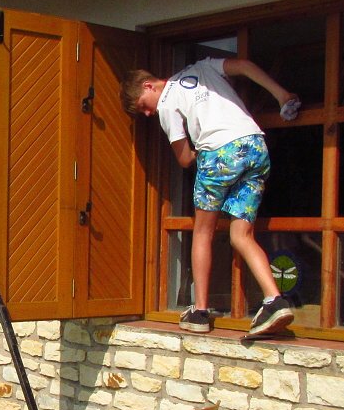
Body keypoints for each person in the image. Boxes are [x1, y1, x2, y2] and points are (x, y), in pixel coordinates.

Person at [122, 57, 301, 336]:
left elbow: (184, 158)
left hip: (219, 154)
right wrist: (281, 95)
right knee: (241, 235)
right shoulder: (203, 68)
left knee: (203, 232)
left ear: (149, 86)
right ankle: (275, 300)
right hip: (255, 146)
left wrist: (198, 152)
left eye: (143, 106)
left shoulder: (166, 103)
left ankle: (200, 312)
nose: (146, 114)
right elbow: (243, 65)